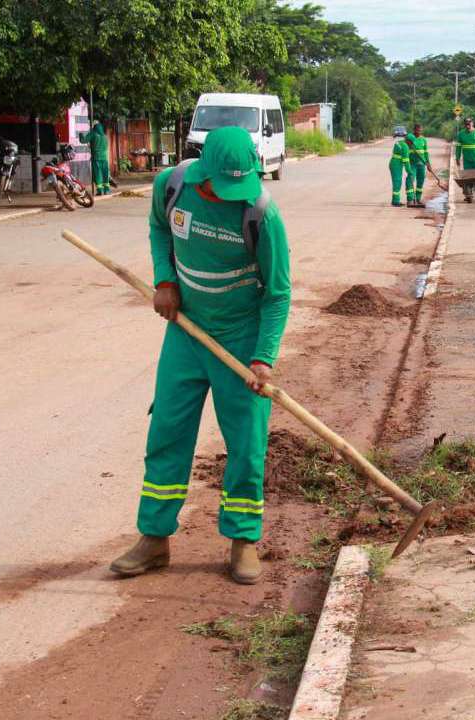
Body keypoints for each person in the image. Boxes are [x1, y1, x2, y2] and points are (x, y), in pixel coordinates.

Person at [109, 126, 291, 584]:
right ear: (202, 171)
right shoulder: (171, 186)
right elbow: (158, 230)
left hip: (241, 337)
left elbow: (278, 294)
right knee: (167, 432)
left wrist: (263, 358)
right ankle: (154, 538)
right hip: (186, 333)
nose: (231, 196)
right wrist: (165, 281)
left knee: (247, 444)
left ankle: (243, 540)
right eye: (222, 187)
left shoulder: (260, 214)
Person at [454, 118, 475, 201]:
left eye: (469, 123)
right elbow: (458, 147)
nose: (468, 125)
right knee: (468, 179)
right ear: (464, 124)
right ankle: (469, 194)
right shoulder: (461, 134)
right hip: (467, 161)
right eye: (466, 123)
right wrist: (457, 158)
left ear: (472, 123)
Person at [404, 124, 432, 208]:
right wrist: (408, 140)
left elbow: (426, 152)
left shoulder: (423, 139)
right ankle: (410, 199)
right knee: (410, 179)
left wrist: (428, 163)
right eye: (417, 130)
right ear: (414, 130)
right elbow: (406, 139)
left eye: (420, 130)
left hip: (422, 164)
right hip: (412, 163)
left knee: (421, 181)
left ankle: (418, 199)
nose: (418, 132)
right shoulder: (410, 138)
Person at [86, 121, 111, 195]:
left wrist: (80, 134)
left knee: (97, 174)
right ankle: (106, 190)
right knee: (105, 174)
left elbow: (83, 140)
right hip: (104, 158)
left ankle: (100, 190)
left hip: (96, 158)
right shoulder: (105, 136)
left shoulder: (93, 134)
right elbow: (106, 147)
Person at [389, 127, 411, 207]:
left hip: (394, 164)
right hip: (396, 165)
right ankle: (395, 201)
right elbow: (406, 161)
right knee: (397, 182)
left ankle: (395, 200)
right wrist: (409, 171)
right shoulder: (404, 146)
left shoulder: (398, 143)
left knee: (397, 182)